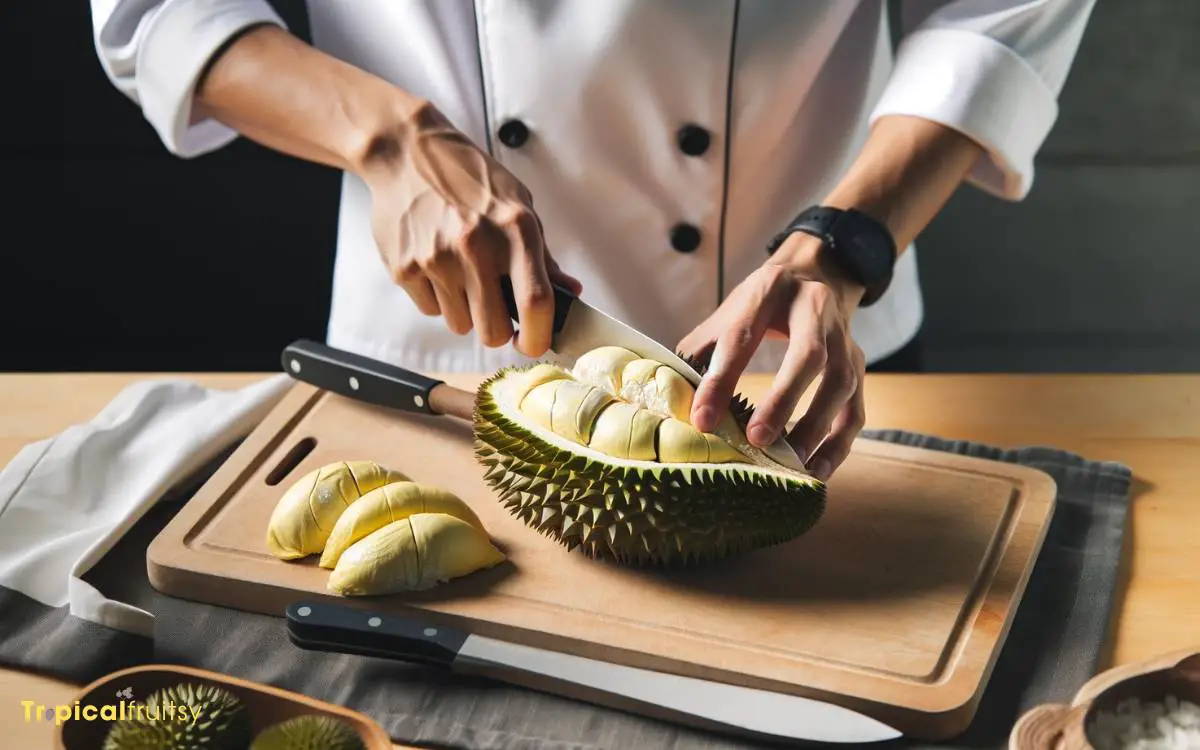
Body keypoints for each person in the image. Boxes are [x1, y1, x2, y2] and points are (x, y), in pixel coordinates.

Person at [87, 0, 1096, 482]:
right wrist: (389, 137)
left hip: (803, 354)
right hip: (436, 347)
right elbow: (159, 12)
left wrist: (844, 241)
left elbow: (998, 15)